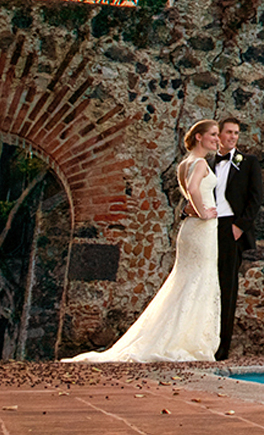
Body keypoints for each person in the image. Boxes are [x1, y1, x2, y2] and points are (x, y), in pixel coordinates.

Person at [65, 120, 223, 362]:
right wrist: (202, 211)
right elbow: (193, 188)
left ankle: (179, 335)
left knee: (186, 280)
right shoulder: (200, 162)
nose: (216, 139)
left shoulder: (184, 164)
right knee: (199, 278)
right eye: (212, 134)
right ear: (199, 137)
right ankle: (186, 339)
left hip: (191, 229)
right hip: (201, 227)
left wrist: (193, 210)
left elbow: (188, 189)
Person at [211, 117, 262, 360]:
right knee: (204, 284)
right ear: (218, 135)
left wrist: (240, 227)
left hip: (231, 228)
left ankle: (223, 344)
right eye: (228, 132)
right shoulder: (207, 162)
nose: (232, 136)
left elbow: (256, 198)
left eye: (236, 133)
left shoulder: (248, 162)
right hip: (207, 227)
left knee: (227, 286)